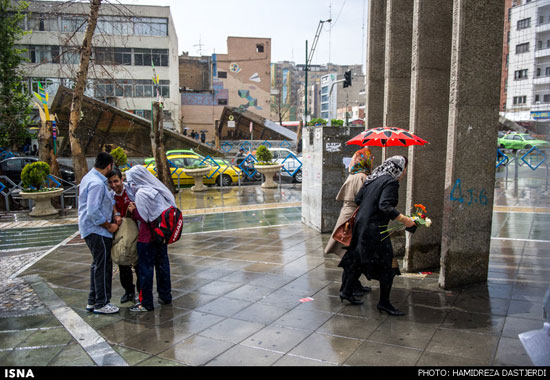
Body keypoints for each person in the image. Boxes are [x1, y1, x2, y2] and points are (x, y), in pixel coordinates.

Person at [339, 155, 415, 316]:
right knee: (388, 266)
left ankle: (346, 291)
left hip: (361, 226)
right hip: (375, 229)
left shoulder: (373, 178)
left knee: (359, 259)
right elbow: (385, 205)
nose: (405, 172)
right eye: (405, 168)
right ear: (399, 168)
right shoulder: (391, 182)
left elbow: (359, 199)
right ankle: (384, 303)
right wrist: (405, 220)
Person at [124, 165, 176, 312]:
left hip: (147, 239)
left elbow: (144, 218)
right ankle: (165, 296)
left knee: (145, 271)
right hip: (160, 237)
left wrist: (133, 211)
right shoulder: (157, 190)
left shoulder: (141, 194)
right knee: (162, 267)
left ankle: (146, 303)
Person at [324, 148, 373, 296]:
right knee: (351, 256)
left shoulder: (355, 175)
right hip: (352, 217)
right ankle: (349, 287)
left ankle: (353, 285)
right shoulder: (361, 177)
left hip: (348, 215)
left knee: (350, 255)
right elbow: (361, 199)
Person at [78, 152, 120, 315]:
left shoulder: (90, 178)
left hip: (92, 229)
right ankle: (102, 303)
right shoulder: (96, 183)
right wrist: (108, 226)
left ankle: (93, 300)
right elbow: (93, 211)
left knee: (97, 264)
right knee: (103, 266)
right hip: (97, 230)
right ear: (109, 165)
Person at [107, 169, 140, 304]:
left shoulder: (132, 191)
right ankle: (128, 291)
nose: (114, 185)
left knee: (138, 264)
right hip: (120, 234)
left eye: (116, 181)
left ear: (121, 179)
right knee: (122, 263)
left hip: (136, 231)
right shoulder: (110, 196)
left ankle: (141, 292)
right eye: (110, 182)